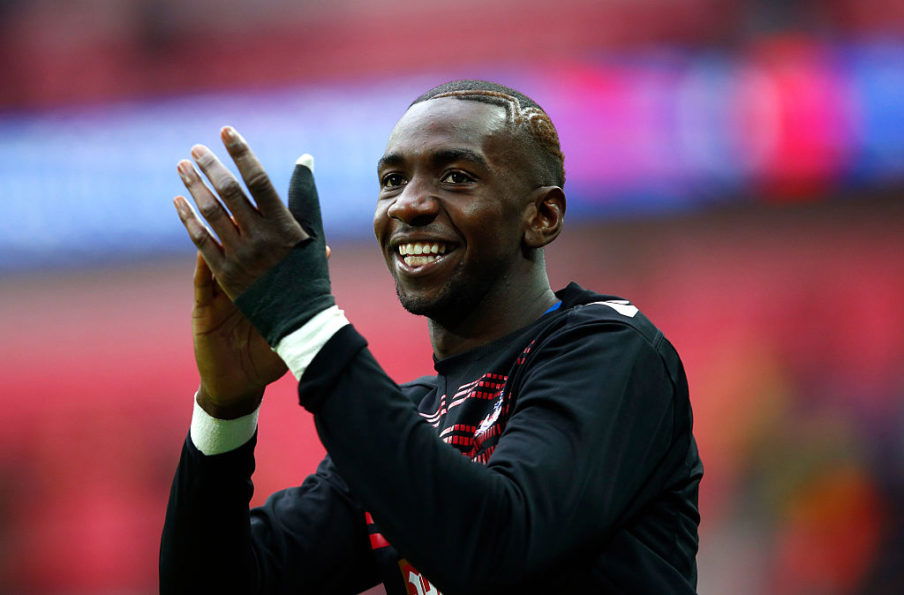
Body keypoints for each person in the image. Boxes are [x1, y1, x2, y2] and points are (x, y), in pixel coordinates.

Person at [160, 80, 703, 594]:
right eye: (393, 181)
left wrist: (308, 326)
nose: (408, 205)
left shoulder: (611, 348)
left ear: (542, 216)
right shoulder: (412, 419)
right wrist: (225, 410)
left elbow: (497, 547)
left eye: (457, 177)